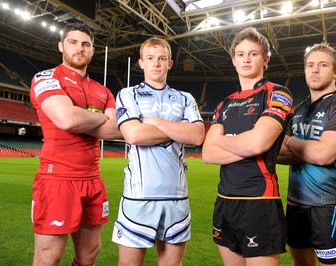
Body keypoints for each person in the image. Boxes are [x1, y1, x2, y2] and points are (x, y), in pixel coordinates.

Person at [30, 22, 122, 266]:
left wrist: (86, 118)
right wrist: (100, 118)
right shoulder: (47, 77)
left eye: (86, 44)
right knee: (48, 256)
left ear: (92, 51)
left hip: (93, 179)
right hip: (57, 179)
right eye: (73, 42)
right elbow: (66, 119)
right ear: (61, 46)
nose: (79, 48)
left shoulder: (103, 91)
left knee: (89, 254)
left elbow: (115, 130)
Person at [202, 27, 293, 266]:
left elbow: (258, 143)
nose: (246, 59)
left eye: (253, 53)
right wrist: (244, 145)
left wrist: (220, 140)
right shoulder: (225, 103)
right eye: (241, 54)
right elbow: (208, 153)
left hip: (259, 201)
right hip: (224, 201)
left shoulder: (277, 93)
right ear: (233, 60)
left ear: (265, 59)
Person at [112, 36, 205, 266]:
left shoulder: (186, 98)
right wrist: (178, 129)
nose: (156, 63)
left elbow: (197, 136)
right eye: (150, 58)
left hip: (177, 198)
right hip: (138, 198)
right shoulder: (127, 94)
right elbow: (133, 134)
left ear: (169, 63)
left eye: (162, 58)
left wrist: (155, 123)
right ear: (141, 63)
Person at [277, 42, 336, 266]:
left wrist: (291, 141)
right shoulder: (298, 110)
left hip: (329, 206)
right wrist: (308, 148)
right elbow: (278, 155)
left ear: (335, 71)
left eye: (323, 65)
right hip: (296, 204)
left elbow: (323, 154)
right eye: (310, 65)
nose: (315, 70)